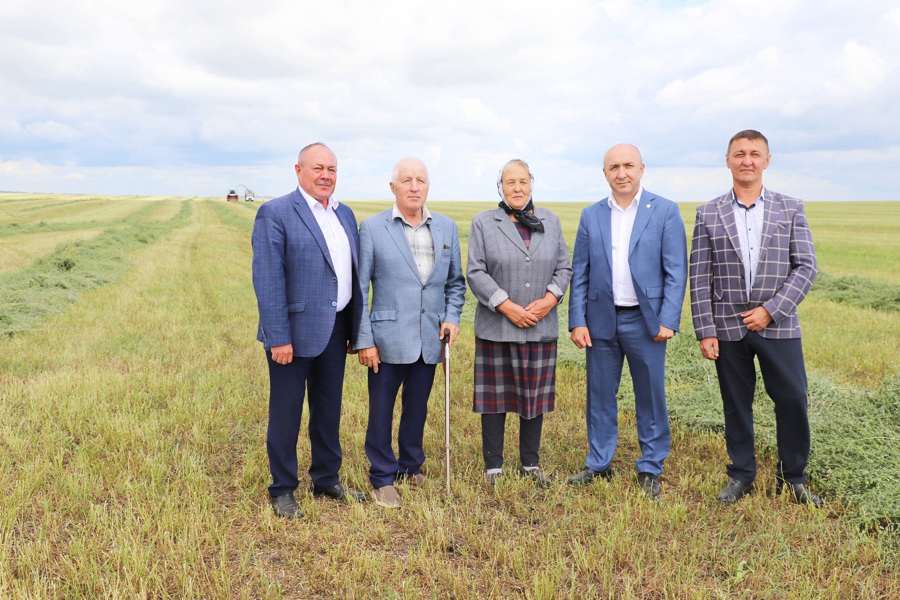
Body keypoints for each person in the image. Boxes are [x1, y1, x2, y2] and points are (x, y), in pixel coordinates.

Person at [689, 130, 822, 507]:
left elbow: (807, 266)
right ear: (728, 160)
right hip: (727, 326)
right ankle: (741, 474)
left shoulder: (790, 207)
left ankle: (792, 476)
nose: (747, 160)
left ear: (767, 160)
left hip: (779, 324)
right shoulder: (708, 212)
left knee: (793, 399)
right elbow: (700, 275)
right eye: (739, 154)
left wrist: (772, 310)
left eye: (754, 154)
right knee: (736, 402)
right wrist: (705, 329)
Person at [251, 142, 365, 519]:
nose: (326, 176)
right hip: (293, 334)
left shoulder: (344, 214)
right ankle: (282, 488)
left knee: (328, 409)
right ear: (298, 170)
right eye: (318, 168)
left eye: (332, 169)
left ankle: (327, 478)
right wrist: (278, 336)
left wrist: (352, 329)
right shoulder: (276, 213)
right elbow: (268, 279)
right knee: (286, 413)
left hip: (335, 328)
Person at [568, 144, 687, 499]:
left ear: (641, 169)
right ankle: (599, 461)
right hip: (600, 319)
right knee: (600, 395)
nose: (622, 172)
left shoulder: (664, 211)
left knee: (649, 395)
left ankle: (650, 466)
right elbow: (580, 272)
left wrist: (668, 318)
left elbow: (676, 271)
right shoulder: (591, 216)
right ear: (604, 173)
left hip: (645, 322)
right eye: (614, 167)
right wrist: (577, 320)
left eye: (628, 165)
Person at [355, 157, 466, 508]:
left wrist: (451, 317)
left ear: (428, 186)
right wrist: (364, 339)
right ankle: (382, 476)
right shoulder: (373, 228)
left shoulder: (447, 228)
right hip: (387, 339)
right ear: (393, 187)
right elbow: (360, 290)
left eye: (420, 180)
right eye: (407, 180)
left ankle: (410, 464)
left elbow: (455, 284)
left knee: (417, 407)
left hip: (430, 337)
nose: (414, 186)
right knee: (382, 410)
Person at [467, 159, 572, 487]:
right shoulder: (484, 223)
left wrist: (550, 299)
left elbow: (564, 269)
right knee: (494, 400)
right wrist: (507, 305)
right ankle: (493, 467)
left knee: (533, 397)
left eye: (523, 181)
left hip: (540, 326)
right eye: (510, 182)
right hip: (497, 326)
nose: (517, 188)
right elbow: (475, 271)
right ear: (500, 187)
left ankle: (530, 463)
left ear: (532, 184)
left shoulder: (551, 221)